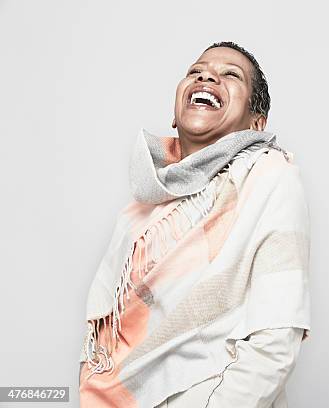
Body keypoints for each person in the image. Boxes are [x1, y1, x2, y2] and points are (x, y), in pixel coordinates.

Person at [78, 41, 311, 408]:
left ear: (257, 122)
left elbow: (276, 337)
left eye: (230, 74)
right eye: (195, 70)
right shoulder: (139, 211)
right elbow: (101, 340)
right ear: (175, 114)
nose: (206, 75)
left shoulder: (268, 176)